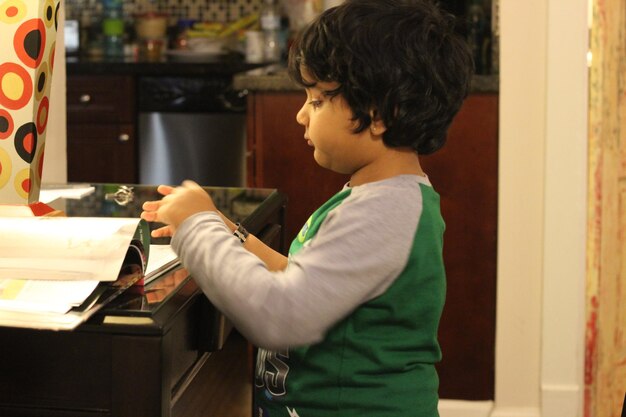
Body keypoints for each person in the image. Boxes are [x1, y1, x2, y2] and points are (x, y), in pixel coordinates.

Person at [141, 0, 473, 415]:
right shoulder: (382, 197)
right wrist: (229, 232)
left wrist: (197, 226)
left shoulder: (384, 211)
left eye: (316, 100)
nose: (301, 115)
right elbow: (305, 281)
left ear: (378, 113)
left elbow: (280, 315)